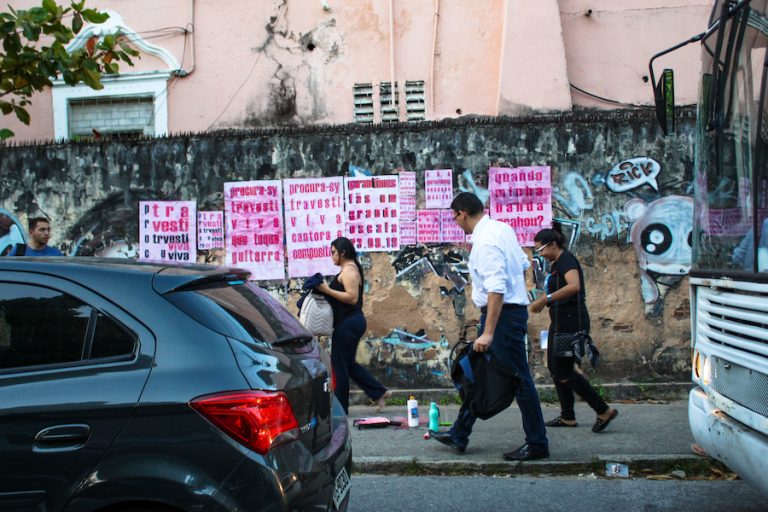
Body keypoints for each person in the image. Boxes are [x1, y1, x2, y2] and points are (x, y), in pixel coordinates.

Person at [431, 192, 549, 461]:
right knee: (480, 372)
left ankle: (537, 443)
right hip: (507, 314)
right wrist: (514, 292)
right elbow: (523, 264)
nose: (455, 222)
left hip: (502, 317)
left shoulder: (484, 241)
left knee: (519, 379)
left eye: (454, 217)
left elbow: (497, 289)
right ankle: (459, 433)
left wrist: (488, 332)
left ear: (462, 213)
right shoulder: (501, 229)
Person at [530, 223, 618, 432]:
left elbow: (574, 286)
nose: (540, 255)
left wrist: (545, 299)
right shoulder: (556, 264)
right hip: (559, 321)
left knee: (564, 370)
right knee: (555, 368)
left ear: (553, 244)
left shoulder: (566, 260)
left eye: (541, 250)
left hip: (571, 322)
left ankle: (603, 410)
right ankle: (567, 416)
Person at [314, 237, 390, 414]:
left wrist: (326, 290)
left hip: (349, 323)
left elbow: (352, 298)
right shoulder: (349, 268)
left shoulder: (349, 271)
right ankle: (379, 392)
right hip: (350, 322)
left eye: (333, 252)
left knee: (339, 366)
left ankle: (341, 409)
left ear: (343, 252)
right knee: (348, 364)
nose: (332, 256)